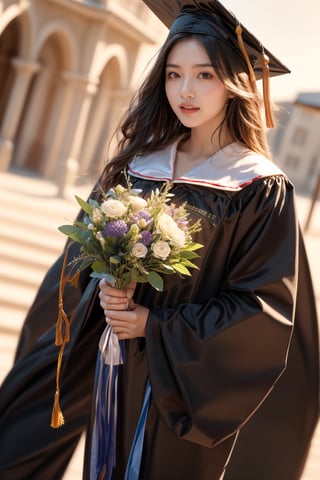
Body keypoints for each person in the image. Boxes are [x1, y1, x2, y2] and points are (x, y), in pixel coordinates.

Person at [0, 1, 319, 479]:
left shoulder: (256, 187)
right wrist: (100, 290)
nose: (185, 91)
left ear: (234, 82)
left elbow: (263, 311)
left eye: (204, 75)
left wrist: (153, 323)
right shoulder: (137, 165)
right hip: (109, 364)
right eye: (173, 74)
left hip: (179, 387)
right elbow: (76, 263)